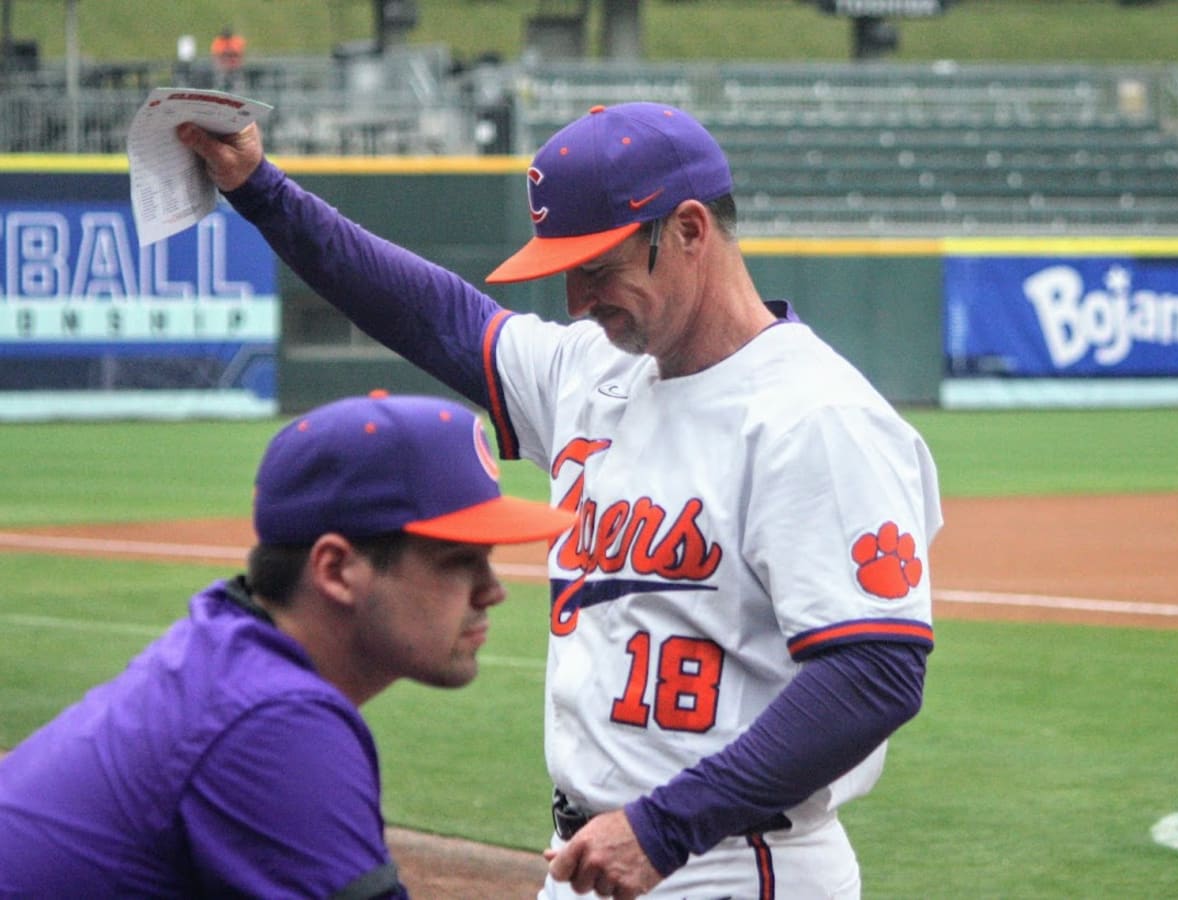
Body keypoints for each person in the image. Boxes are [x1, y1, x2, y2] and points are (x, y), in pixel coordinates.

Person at [176, 101, 943, 899]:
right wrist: (261, 189)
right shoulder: (591, 372)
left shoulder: (816, 418)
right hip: (598, 853)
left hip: (731, 861)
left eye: (598, 266)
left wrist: (667, 826)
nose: (577, 299)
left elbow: (875, 671)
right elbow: (430, 314)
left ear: (688, 230)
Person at [0, 393, 576, 897]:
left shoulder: (225, 646)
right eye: (457, 563)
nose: (492, 591)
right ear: (334, 568)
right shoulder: (270, 723)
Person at [210, 25, 245, 90]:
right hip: (222, 68)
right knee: (220, 82)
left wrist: (229, 52)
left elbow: (237, 52)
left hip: (235, 67)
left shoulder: (236, 40)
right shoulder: (218, 41)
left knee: (238, 84)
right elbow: (217, 54)